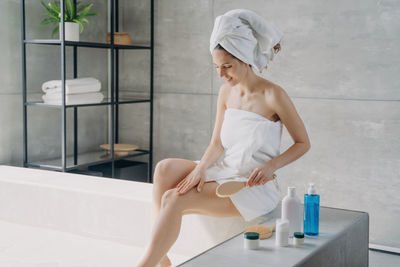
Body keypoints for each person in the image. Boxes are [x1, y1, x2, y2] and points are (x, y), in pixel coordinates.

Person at [137, 9, 310, 267]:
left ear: (245, 58)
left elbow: (303, 143)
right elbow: (217, 144)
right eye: (217, 67)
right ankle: (161, 258)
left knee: (172, 199)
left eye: (227, 66)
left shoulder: (274, 95)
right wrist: (201, 169)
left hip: (252, 184)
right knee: (163, 170)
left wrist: (270, 166)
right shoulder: (226, 93)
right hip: (225, 168)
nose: (221, 74)